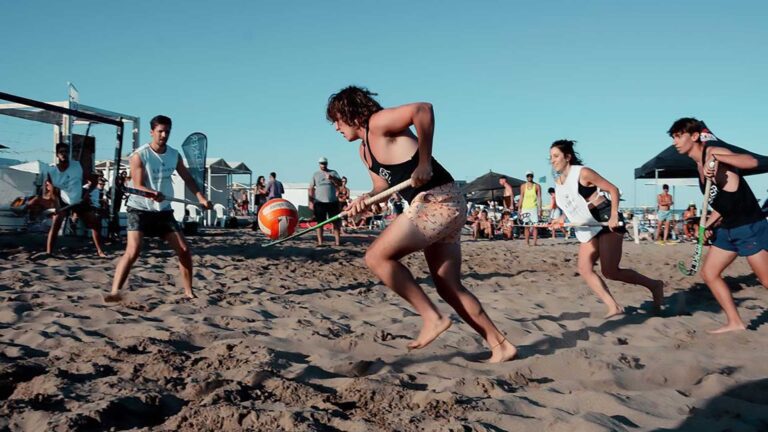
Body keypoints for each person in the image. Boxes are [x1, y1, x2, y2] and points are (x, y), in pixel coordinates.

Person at [327, 86, 516, 362]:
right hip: (443, 204)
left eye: (336, 120)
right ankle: (501, 345)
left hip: (437, 199)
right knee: (448, 285)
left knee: (377, 257)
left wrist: (424, 161)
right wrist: (364, 201)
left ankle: (431, 317)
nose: (335, 127)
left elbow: (422, 109)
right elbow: (381, 187)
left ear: (350, 113)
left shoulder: (378, 123)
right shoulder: (364, 151)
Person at [668, 118, 768, 333]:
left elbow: (751, 162)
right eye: (673, 137)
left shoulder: (713, 152)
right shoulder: (698, 164)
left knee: (766, 279)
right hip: (728, 229)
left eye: (679, 136)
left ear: (694, 136)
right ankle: (735, 322)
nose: (675, 142)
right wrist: (706, 224)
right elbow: (724, 204)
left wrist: (717, 158)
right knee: (709, 273)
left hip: (749, 226)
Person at [549, 139, 664, 318]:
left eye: (556, 156)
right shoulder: (559, 182)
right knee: (584, 268)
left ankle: (654, 285)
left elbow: (613, 189)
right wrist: (560, 220)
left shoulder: (583, 173)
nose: (552, 160)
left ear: (568, 157)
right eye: (550, 157)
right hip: (588, 225)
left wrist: (613, 215)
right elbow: (571, 207)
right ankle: (614, 307)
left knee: (610, 271)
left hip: (605, 219)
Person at [106, 115, 212, 303]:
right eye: (160, 131)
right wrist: (151, 192)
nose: (164, 135)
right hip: (139, 209)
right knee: (133, 251)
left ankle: (188, 291)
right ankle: (115, 292)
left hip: (163, 211)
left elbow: (188, 178)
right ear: (152, 132)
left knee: (184, 250)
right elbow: (137, 185)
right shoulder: (140, 155)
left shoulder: (174, 154)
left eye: (167, 132)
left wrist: (201, 197)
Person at [43, 143, 108, 257]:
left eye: (66, 152)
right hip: (63, 200)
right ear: (57, 155)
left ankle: (100, 251)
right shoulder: (52, 172)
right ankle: (49, 253)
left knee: (95, 223)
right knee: (56, 224)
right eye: (61, 152)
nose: (64, 154)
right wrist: (57, 206)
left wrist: (87, 194)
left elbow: (93, 180)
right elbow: (52, 192)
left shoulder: (77, 166)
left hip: (79, 199)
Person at [309, 157, 343, 246]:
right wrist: (310, 201)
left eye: (324, 163)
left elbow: (340, 183)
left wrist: (332, 178)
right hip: (319, 202)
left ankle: (337, 242)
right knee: (320, 223)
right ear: (319, 164)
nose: (323, 165)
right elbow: (311, 188)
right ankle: (320, 242)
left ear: (327, 163)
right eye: (321, 163)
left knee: (336, 222)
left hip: (332, 201)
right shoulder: (315, 174)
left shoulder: (333, 172)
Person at [518, 170, 542, 246]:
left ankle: (535, 242)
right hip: (525, 208)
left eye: (531, 176)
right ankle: (527, 242)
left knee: (535, 226)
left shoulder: (537, 186)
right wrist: (519, 208)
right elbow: (521, 197)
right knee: (526, 226)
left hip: (533, 208)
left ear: (533, 176)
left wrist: (540, 209)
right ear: (526, 177)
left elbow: (539, 198)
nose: (529, 177)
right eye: (528, 176)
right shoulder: (523, 186)